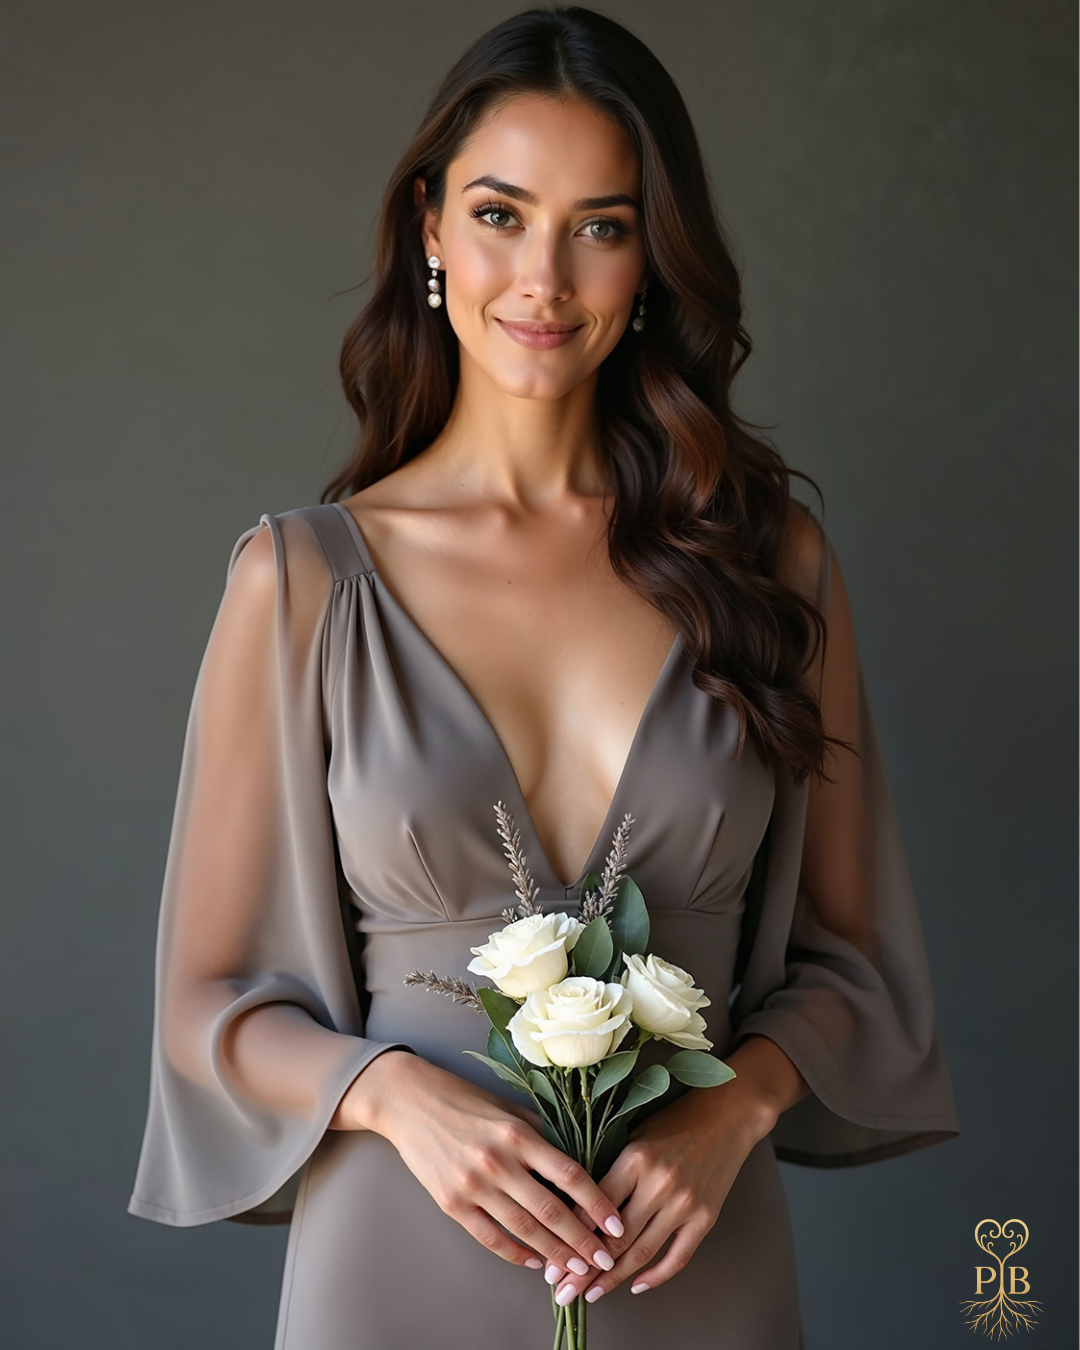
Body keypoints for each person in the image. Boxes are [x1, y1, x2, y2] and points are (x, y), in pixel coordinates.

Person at [127, 8, 961, 1347]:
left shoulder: (774, 565)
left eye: (601, 226)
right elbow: (204, 999)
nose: (545, 279)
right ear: (430, 228)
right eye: (501, 214)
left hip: (689, 1258)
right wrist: (397, 1097)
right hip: (397, 1253)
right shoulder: (304, 581)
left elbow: (856, 966)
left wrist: (731, 1111)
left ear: (652, 258)